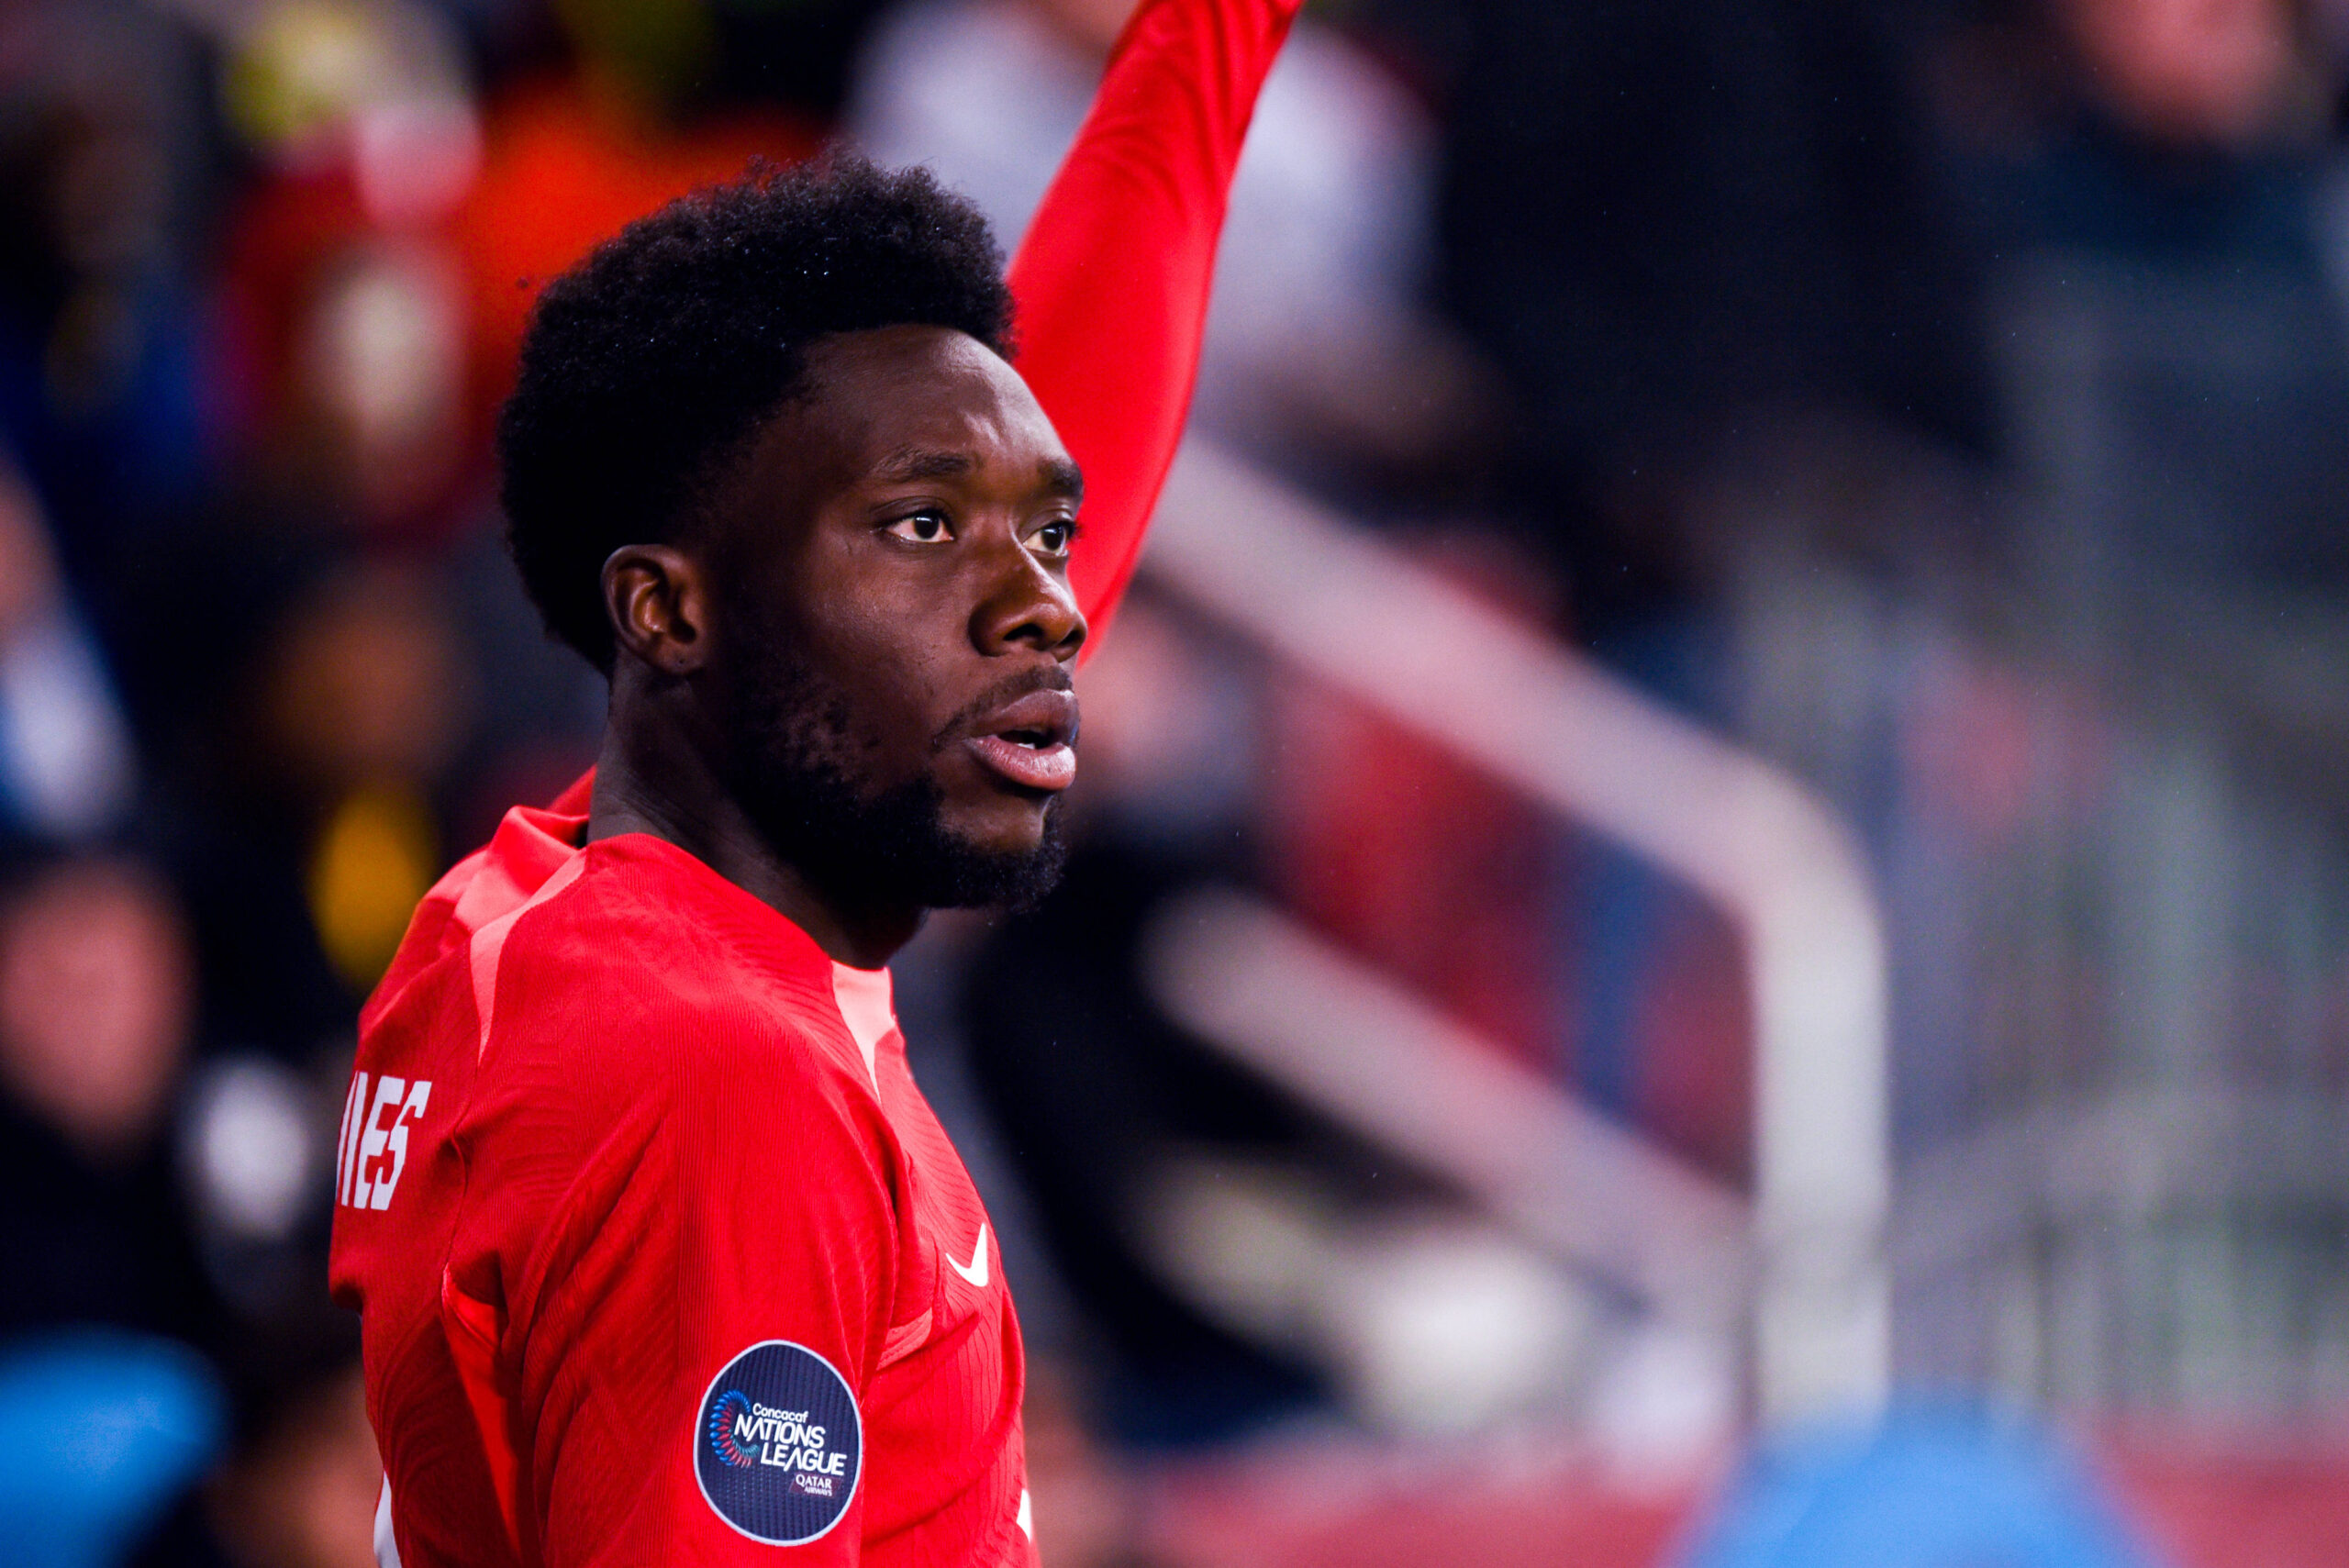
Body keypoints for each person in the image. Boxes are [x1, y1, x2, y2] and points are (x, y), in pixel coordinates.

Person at [327, 0, 1298, 1562]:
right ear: (670, 609)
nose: (1046, 605)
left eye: (1040, 535)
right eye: (924, 529)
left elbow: (1079, 400)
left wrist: (1202, 39)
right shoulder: (726, 1081)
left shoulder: (535, 905)